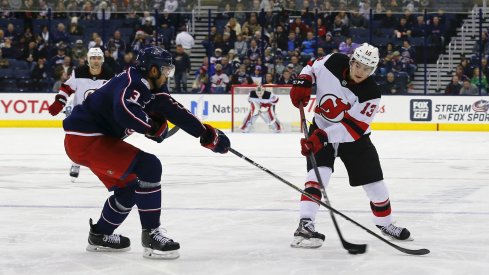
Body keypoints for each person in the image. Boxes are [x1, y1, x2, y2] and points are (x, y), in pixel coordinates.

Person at [55, 46, 230, 259]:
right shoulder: (135, 81)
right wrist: (151, 127)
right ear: (153, 70)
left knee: (128, 189)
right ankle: (151, 236)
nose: (168, 74)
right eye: (165, 70)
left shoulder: (150, 86)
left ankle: (99, 235)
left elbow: (175, 110)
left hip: (87, 140)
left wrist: (206, 135)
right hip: (86, 138)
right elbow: (124, 109)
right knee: (149, 166)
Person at [289, 43, 413, 249]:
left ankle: (385, 223)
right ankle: (305, 224)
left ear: (373, 70)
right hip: (320, 127)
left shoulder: (371, 92)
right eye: (358, 65)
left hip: (354, 139)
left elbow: (352, 129)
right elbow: (311, 66)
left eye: (367, 69)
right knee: (317, 176)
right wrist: (303, 81)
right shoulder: (333, 61)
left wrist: (321, 137)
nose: (360, 72)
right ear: (352, 60)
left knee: (377, 187)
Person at [48, 47, 115, 182]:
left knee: (103, 144)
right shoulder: (78, 72)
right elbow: (66, 88)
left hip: (100, 116)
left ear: (102, 60)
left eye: (98, 58)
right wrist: (60, 102)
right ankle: (75, 163)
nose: (96, 61)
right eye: (93, 58)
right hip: (81, 115)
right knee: (78, 143)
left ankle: (106, 168)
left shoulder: (109, 74)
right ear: (88, 60)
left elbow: (114, 95)